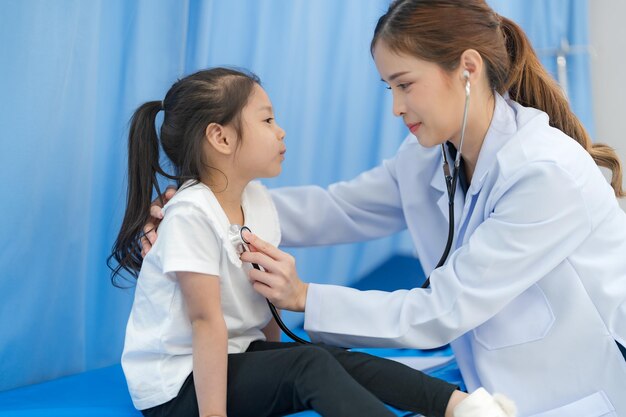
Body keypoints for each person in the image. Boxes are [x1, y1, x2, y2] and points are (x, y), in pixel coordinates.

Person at [109, 67, 515, 417]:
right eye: (267, 121)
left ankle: (462, 406)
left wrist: (275, 363)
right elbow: (205, 322)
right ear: (221, 138)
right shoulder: (191, 213)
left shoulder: (257, 202)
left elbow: (261, 295)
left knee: (325, 356)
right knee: (308, 365)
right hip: (178, 386)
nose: (281, 130)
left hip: (229, 360)